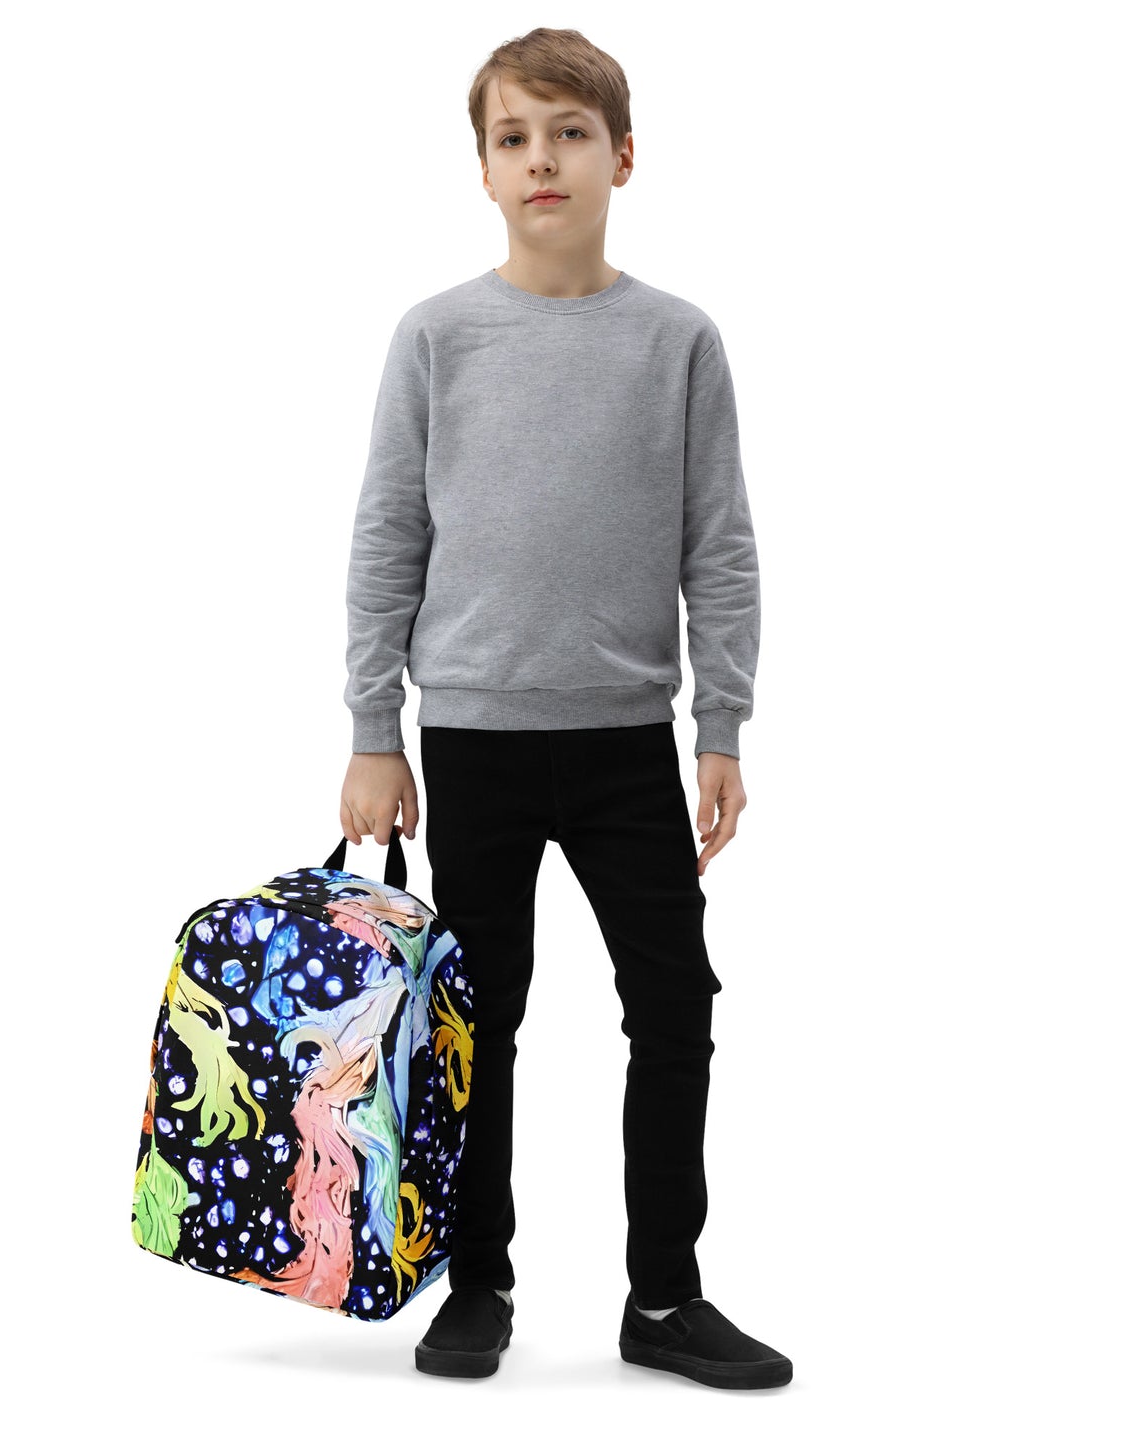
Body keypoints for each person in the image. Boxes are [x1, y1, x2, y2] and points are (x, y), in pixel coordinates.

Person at [339, 27, 792, 1391]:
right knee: (480, 1017)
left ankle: (665, 1296)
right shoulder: (436, 337)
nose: (543, 160)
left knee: (675, 1001)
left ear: (622, 157)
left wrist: (721, 725)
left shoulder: (677, 341)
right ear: (483, 169)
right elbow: (387, 537)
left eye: (570, 134)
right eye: (515, 138)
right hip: (473, 739)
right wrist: (373, 731)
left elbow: (719, 543)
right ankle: (476, 1281)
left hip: (624, 742)